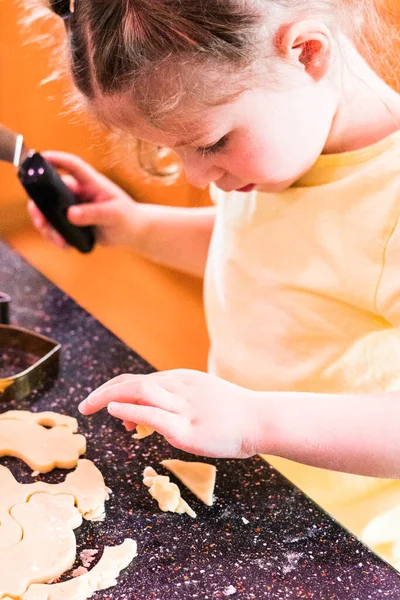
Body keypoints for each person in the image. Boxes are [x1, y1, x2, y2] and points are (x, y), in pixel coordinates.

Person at [29, 0, 400, 565]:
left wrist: (256, 421)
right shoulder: (283, 158)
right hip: (259, 489)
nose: (200, 177)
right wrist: (132, 227)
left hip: (351, 542)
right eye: (171, 150)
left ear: (307, 53)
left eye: (209, 143)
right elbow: (263, 253)